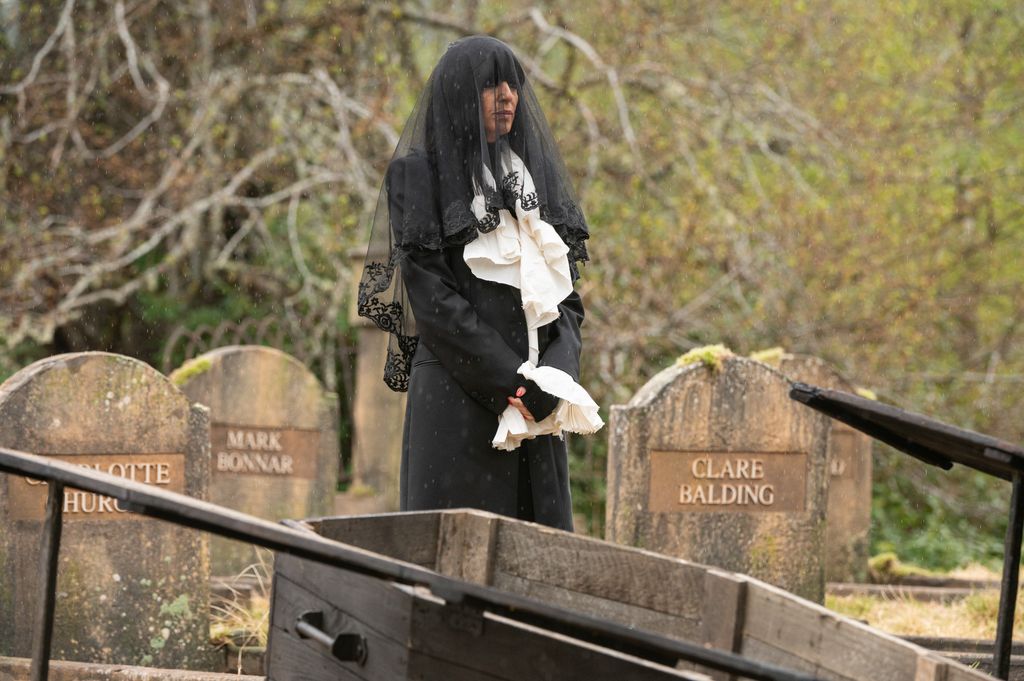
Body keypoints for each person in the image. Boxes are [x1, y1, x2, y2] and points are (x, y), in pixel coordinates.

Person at [357, 35, 601, 531]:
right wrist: (511, 383)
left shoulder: (531, 184)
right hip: (458, 405)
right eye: (490, 84)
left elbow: (567, 302)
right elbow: (432, 300)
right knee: (455, 562)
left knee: (537, 569)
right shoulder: (417, 177)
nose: (507, 95)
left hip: (536, 410)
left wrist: (553, 382)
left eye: (512, 83)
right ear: (458, 94)